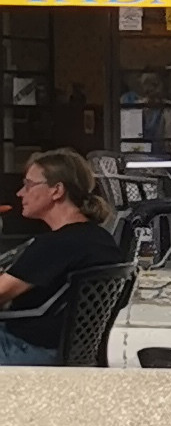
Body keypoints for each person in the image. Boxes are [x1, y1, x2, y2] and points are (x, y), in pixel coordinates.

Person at [0, 150, 119, 366]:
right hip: (73, 349)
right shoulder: (100, 238)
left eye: (28, 185)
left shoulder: (56, 244)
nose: (19, 193)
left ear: (56, 190)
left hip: (30, 348)